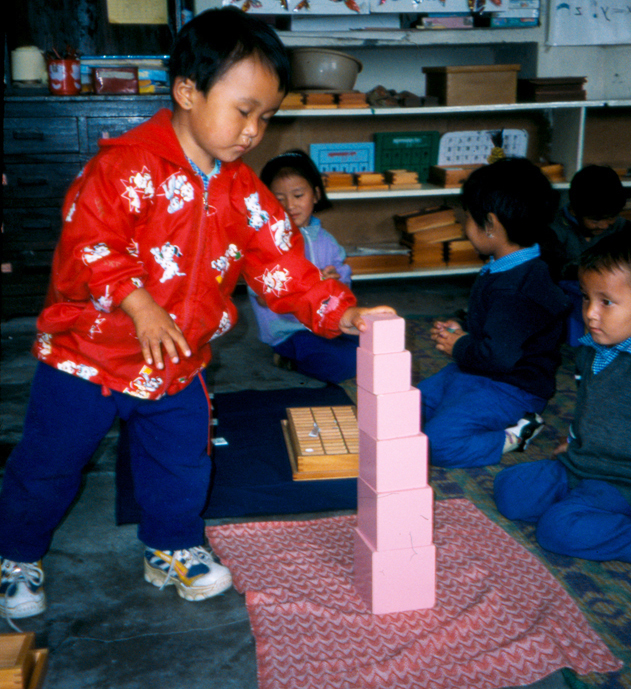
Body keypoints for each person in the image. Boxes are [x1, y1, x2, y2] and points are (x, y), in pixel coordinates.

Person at [0, 7, 394, 621]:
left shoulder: (242, 191)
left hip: (176, 361)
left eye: (266, 116)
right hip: (86, 356)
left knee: (182, 460)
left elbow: (283, 264)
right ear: (187, 90)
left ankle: (170, 544)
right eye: (243, 110)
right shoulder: (124, 166)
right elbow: (89, 244)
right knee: (49, 463)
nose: (254, 131)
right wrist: (140, 305)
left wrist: (340, 313)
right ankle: (17, 554)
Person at [417, 158, 570, 468]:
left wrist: (458, 345)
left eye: (467, 220)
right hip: (475, 371)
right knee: (400, 410)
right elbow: (494, 319)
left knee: (435, 444)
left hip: (512, 389)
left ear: (491, 224)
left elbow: (499, 356)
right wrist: (461, 323)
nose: (463, 227)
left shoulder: (517, 286)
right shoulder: (509, 266)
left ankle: (514, 435)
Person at [494, 230, 630, 562]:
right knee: (510, 489)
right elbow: (587, 404)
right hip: (579, 463)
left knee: (558, 531)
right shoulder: (591, 349)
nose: (590, 313)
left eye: (606, 302)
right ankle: (581, 506)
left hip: (621, 480)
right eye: (586, 298)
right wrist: (573, 439)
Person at [248, 149, 358, 384]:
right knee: (343, 364)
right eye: (279, 199)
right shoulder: (267, 242)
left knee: (369, 341)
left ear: (316, 194)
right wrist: (308, 287)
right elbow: (261, 297)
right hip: (290, 331)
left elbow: (344, 281)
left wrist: (335, 282)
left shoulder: (326, 240)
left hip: (329, 322)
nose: (290, 205)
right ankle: (287, 357)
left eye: (298, 195)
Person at [543, 164, 628, 345]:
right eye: (596, 220)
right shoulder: (554, 230)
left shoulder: (624, 228)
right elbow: (555, 271)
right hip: (570, 296)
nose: (605, 225)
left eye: (611, 218)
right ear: (575, 210)